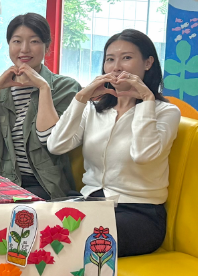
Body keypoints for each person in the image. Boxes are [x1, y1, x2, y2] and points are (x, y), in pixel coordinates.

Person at [48, 30, 180, 257]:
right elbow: (56, 145)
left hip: (139, 214)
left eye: (126, 58)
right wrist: (81, 98)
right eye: (110, 59)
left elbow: (143, 155)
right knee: (36, 226)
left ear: (148, 63)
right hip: (91, 203)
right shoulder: (94, 109)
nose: (116, 67)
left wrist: (146, 100)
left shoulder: (165, 112)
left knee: (76, 240)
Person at [0, 13, 81, 200]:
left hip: (43, 183)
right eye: (17, 41)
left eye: (34, 41)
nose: (24, 49)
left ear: (47, 47)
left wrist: (43, 88)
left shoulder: (65, 87)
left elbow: (50, 139)